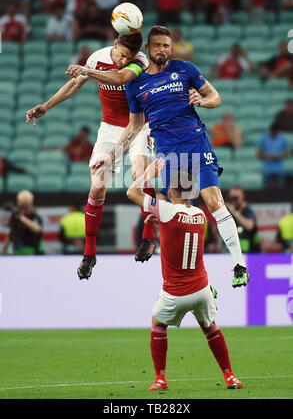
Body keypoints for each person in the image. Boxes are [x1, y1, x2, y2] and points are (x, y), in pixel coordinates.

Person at [94, 25, 250, 288]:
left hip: (197, 146)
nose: (163, 50)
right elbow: (133, 127)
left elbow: (215, 97)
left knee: (214, 201)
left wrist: (202, 101)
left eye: (167, 45)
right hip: (170, 157)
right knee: (183, 218)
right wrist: (111, 156)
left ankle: (239, 265)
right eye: (158, 45)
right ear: (148, 48)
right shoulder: (136, 84)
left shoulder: (185, 69)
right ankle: (200, 279)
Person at [26, 31, 156, 277]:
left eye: (126, 58)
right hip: (109, 128)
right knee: (97, 186)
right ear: (114, 44)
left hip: (139, 125)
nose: (121, 61)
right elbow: (75, 83)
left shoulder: (139, 61)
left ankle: (148, 238)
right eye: (120, 55)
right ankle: (89, 254)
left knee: (140, 172)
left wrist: (87, 72)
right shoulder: (98, 58)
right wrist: (47, 105)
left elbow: (119, 78)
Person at [126, 159, 244, 391]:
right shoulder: (200, 214)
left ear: (170, 192)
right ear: (193, 192)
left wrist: (148, 173)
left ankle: (160, 378)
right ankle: (230, 376)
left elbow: (132, 192)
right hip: (201, 289)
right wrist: (161, 220)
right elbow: (179, 224)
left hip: (175, 292)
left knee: (158, 325)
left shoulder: (167, 210)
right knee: (210, 328)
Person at [1, 190, 43, 255]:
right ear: (18, 203)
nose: (24, 207)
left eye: (26, 204)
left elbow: (37, 229)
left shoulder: (35, 216)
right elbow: (10, 234)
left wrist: (22, 218)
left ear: (31, 204)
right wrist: (3, 251)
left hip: (34, 252)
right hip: (18, 251)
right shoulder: (15, 217)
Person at [226, 186, 260, 253]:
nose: (233, 200)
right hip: (230, 252)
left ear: (242, 197)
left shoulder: (247, 210)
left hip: (250, 253)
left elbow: (250, 226)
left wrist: (235, 213)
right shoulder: (227, 211)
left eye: (236, 198)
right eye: (232, 198)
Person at [257, 122, 290, 189]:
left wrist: (279, 156)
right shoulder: (264, 138)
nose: (274, 134)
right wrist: (267, 156)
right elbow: (258, 154)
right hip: (267, 168)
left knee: (280, 189)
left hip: (279, 169)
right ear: (270, 130)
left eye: (276, 132)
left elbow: (287, 152)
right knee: (266, 189)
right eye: (273, 132)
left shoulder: (282, 139)